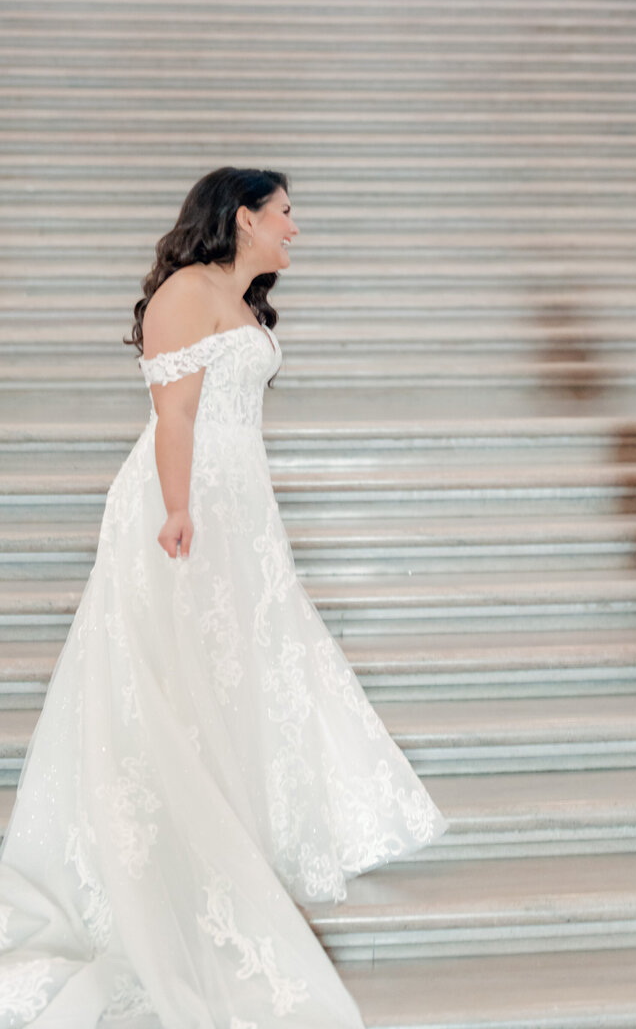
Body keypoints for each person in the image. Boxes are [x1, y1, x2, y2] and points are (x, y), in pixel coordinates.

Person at [0, 168, 444, 1025]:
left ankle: (229, 843)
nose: (295, 229)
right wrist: (175, 509)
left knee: (235, 677)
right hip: (184, 507)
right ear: (243, 216)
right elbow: (175, 416)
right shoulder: (185, 291)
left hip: (240, 508)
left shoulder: (242, 301)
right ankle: (176, 867)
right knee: (169, 685)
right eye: (285, 214)